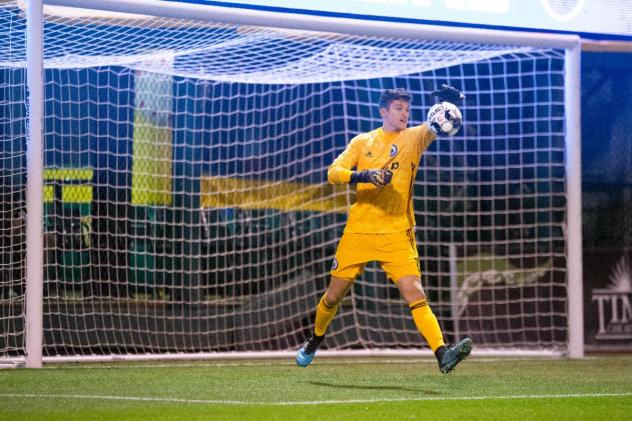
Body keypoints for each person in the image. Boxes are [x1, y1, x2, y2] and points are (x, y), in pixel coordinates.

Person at [296, 86, 472, 374]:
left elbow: (436, 125)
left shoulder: (415, 137)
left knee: (415, 293)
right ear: (384, 112)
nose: (405, 113)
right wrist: (362, 175)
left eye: (407, 108)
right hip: (359, 232)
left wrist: (448, 103)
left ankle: (443, 353)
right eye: (399, 108)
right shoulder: (362, 142)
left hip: (396, 232)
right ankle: (315, 339)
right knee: (333, 296)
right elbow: (333, 172)